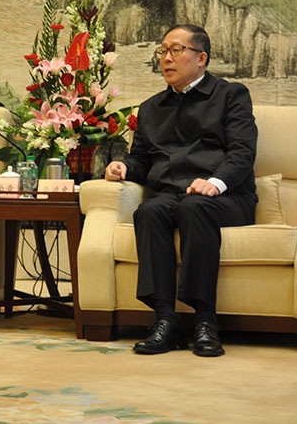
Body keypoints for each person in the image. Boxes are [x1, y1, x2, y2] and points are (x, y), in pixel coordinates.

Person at [104, 24, 257, 357]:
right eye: (163, 51)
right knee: (149, 211)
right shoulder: (151, 108)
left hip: (227, 197)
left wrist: (215, 182)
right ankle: (165, 321)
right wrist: (124, 168)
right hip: (171, 195)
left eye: (176, 50)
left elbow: (243, 152)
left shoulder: (231, 95)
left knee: (194, 207)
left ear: (201, 58)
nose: (166, 58)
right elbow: (142, 159)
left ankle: (205, 322)